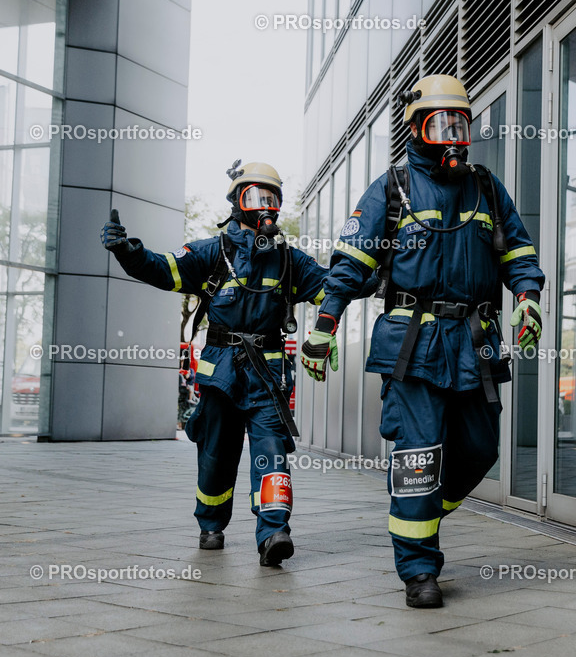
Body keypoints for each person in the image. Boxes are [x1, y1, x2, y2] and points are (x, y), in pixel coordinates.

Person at [300, 74, 545, 607]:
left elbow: (518, 252)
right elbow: (351, 264)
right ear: (417, 128)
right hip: (412, 341)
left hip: (474, 341)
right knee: (419, 455)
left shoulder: (486, 188)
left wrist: (527, 295)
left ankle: (421, 511)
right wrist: (325, 323)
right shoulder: (392, 189)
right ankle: (418, 570)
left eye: (461, 123)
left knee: (482, 449)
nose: (454, 134)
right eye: (442, 123)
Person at [101, 161, 328, 566]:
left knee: (271, 451)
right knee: (217, 454)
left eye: (272, 198)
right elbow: (163, 269)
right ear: (237, 204)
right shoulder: (212, 252)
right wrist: (127, 251)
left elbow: (333, 286)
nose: (267, 207)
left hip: (268, 378)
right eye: (257, 197)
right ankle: (211, 524)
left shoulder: (290, 261)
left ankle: (274, 530)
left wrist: (375, 270)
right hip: (221, 373)